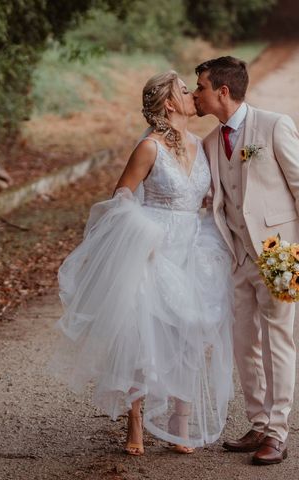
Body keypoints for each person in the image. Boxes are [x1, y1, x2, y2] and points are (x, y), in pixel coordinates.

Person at [52, 70, 234, 455]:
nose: (192, 96)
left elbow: (205, 196)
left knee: (192, 333)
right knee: (143, 335)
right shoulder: (149, 147)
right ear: (169, 104)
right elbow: (121, 196)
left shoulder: (201, 145)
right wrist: (141, 238)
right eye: (185, 91)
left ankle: (179, 422)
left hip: (193, 247)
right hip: (153, 247)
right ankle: (135, 419)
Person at [193, 56, 299, 465]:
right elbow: (217, 199)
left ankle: (278, 432)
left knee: (277, 342)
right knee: (244, 344)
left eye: (200, 88)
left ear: (222, 92)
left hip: (278, 254)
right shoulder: (211, 143)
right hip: (236, 257)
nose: (195, 95)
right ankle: (258, 423)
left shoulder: (273, 125)